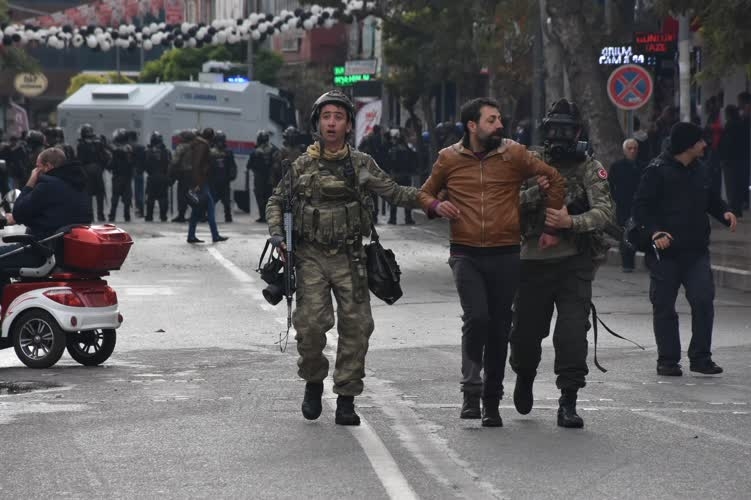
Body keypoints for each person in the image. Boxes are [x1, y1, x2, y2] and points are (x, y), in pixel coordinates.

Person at [265, 89, 421, 426]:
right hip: (310, 257)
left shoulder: (362, 164)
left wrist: (434, 202)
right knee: (309, 327)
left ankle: (347, 398)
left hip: (350, 258)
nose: (332, 123)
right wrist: (279, 236)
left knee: (357, 328)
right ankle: (313, 381)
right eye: (326, 117)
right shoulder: (302, 164)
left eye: (338, 117)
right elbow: (276, 201)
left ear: (349, 125)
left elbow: (395, 192)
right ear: (317, 123)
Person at [419, 97, 566, 427]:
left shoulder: (513, 153)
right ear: (472, 126)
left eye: (500, 119)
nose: (499, 125)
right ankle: (471, 391)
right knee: (478, 318)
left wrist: (551, 226)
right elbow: (425, 193)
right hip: (465, 252)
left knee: (500, 327)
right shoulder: (448, 159)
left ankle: (491, 401)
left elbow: (554, 178)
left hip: (505, 252)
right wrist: (436, 207)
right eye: (491, 120)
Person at [509, 99, 615, 429]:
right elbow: (504, 205)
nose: (559, 136)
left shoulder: (589, 167)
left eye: (565, 130)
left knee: (571, 335)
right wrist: (533, 195)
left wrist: (573, 222)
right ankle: (524, 376)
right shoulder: (529, 162)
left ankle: (568, 399)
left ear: (578, 133)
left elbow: (605, 212)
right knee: (526, 336)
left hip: (574, 263)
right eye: (553, 129)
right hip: (532, 262)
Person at [632, 121, 737, 377]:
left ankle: (701, 357)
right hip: (665, 253)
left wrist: (725, 212)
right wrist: (655, 232)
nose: (704, 144)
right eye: (700, 141)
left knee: (703, 300)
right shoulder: (656, 170)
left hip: (696, 251)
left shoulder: (701, 169)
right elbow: (640, 208)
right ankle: (668, 360)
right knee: (664, 305)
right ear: (688, 145)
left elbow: (710, 198)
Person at [0, 147, 92, 291]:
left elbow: (18, 211)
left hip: (42, 251)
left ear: (48, 166)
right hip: (64, 252)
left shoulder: (47, 184)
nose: (35, 170)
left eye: (37, 167)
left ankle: (6, 306)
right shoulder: (78, 185)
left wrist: (30, 183)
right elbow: (53, 213)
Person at [187, 128, 228, 244]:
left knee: (196, 209)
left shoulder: (197, 144)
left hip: (200, 181)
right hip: (201, 181)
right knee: (210, 206)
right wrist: (198, 183)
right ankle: (215, 235)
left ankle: (191, 235)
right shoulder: (203, 145)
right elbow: (197, 164)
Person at [609, 138, 642, 272]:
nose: (632, 151)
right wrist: (616, 198)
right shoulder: (617, 167)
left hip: (639, 205)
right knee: (626, 234)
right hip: (623, 205)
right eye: (630, 148)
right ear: (624, 150)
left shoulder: (642, 166)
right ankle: (627, 264)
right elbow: (610, 185)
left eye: (635, 148)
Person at [77, 124, 110, 222]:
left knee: (88, 194)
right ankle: (101, 215)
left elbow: (80, 159)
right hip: (97, 169)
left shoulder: (81, 145)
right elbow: (104, 157)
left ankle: (90, 215)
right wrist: (101, 167)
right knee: (100, 193)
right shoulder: (98, 143)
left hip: (87, 170)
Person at [719, 105, 747, 217]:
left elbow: (726, 144)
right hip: (741, 159)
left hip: (730, 160)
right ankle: (738, 208)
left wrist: (722, 157)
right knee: (739, 184)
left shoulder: (730, 125)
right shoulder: (742, 124)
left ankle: (734, 208)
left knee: (731, 185)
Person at [248, 130, 280, 223]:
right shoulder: (274, 149)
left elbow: (249, 165)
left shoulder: (255, 151)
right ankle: (268, 216)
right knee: (269, 197)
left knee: (260, 197)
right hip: (270, 177)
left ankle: (263, 216)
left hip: (259, 178)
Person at [386, 128, 417, 225]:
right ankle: (408, 218)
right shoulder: (408, 150)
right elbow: (412, 162)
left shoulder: (393, 150)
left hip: (396, 175)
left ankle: (392, 218)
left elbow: (390, 163)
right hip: (406, 175)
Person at [209, 131, 237, 223]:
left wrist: (232, 175)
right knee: (212, 199)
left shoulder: (228, 152)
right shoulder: (211, 152)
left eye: (221, 140)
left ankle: (228, 216)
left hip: (224, 180)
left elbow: (232, 166)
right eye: (219, 140)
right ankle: (209, 215)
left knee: (226, 201)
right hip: (214, 180)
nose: (220, 143)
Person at [169, 130, 197, 223]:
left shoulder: (181, 147)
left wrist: (170, 171)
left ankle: (181, 215)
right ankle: (197, 212)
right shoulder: (195, 147)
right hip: (194, 173)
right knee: (191, 194)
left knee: (182, 195)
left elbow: (175, 161)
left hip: (183, 173)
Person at [107, 129, 134, 223]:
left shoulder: (117, 150)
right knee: (126, 198)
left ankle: (112, 216)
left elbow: (111, 163)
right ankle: (126, 216)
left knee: (115, 197)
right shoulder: (129, 148)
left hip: (118, 176)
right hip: (126, 177)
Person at [144, 131, 171, 222]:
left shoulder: (148, 152)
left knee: (151, 197)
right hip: (163, 176)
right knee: (163, 197)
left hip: (152, 177)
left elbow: (146, 165)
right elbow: (170, 164)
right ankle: (163, 216)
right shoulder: (167, 152)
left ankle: (149, 216)